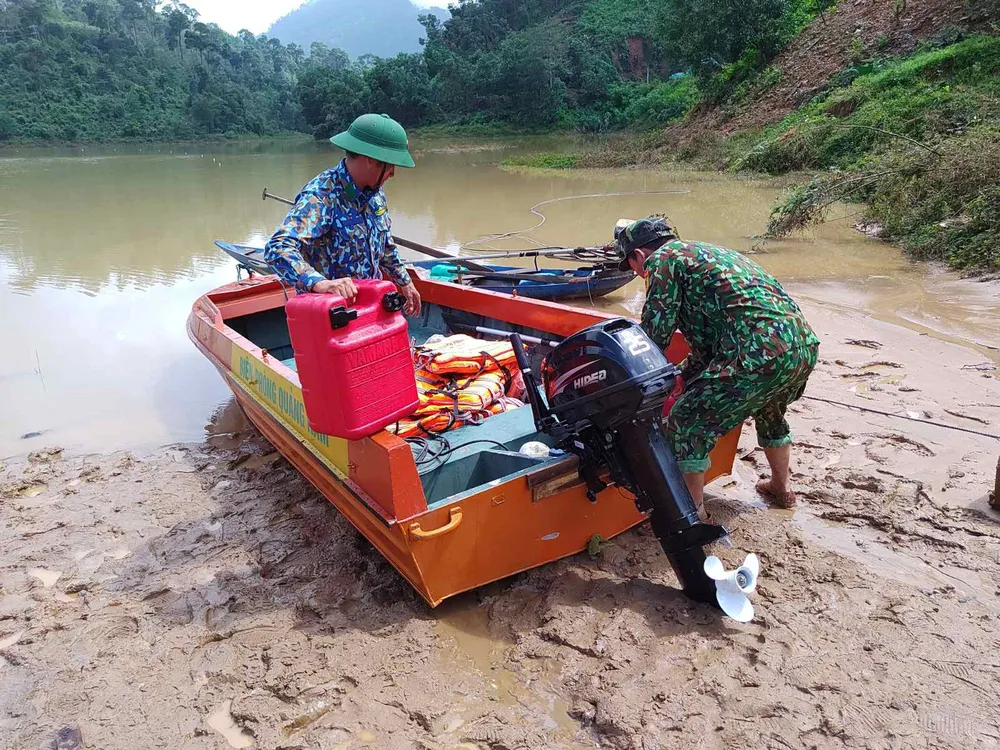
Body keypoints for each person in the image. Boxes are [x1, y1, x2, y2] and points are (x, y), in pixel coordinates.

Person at [617, 217, 820, 518]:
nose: (638, 274)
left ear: (639, 255)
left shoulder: (662, 260)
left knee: (686, 422)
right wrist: (681, 374)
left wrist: (627, 380)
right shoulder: (710, 254)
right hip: (800, 345)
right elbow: (710, 341)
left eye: (633, 267)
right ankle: (780, 488)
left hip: (756, 352)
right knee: (769, 410)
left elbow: (654, 335)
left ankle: (691, 514)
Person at [264, 113, 421, 316]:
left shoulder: (374, 194)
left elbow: (385, 245)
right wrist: (320, 283)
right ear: (370, 160)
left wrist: (404, 281)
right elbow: (278, 248)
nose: (392, 173)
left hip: (370, 309)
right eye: (390, 165)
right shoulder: (321, 197)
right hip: (331, 318)